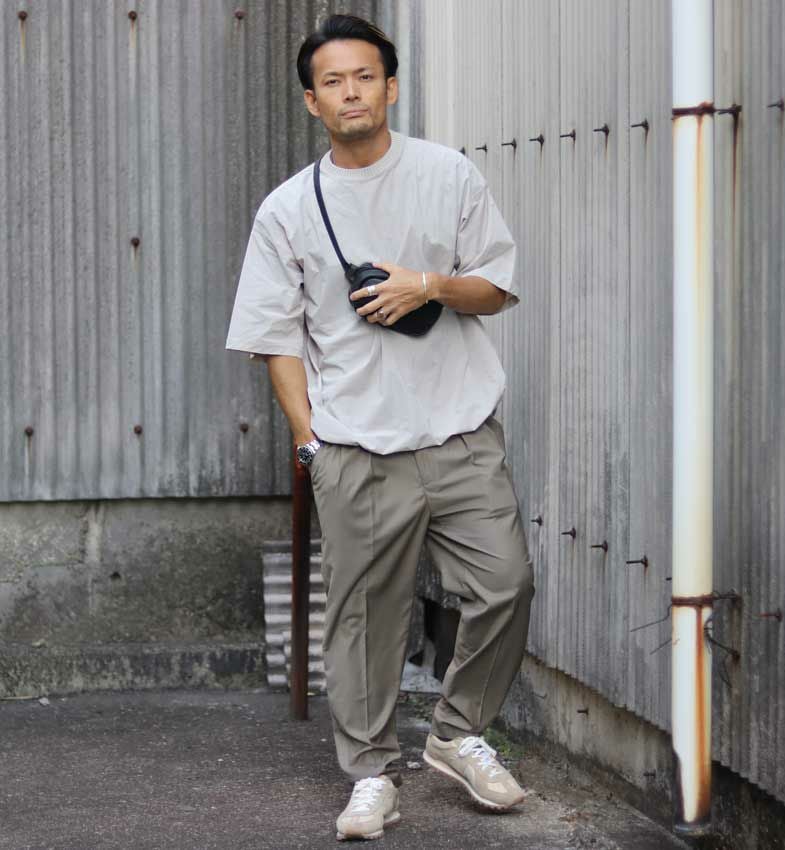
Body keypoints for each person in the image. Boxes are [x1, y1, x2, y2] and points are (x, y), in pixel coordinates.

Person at [225, 14, 534, 842]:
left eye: (365, 76)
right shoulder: (288, 209)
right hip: (356, 446)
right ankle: (370, 774)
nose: (351, 92)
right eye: (333, 81)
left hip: (460, 431)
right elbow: (275, 338)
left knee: (506, 583)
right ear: (312, 101)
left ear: (390, 87)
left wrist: (426, 285)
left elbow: (496, 287)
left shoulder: (447, 174)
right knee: (364, 621)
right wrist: (310, 441)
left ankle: (457, 732)